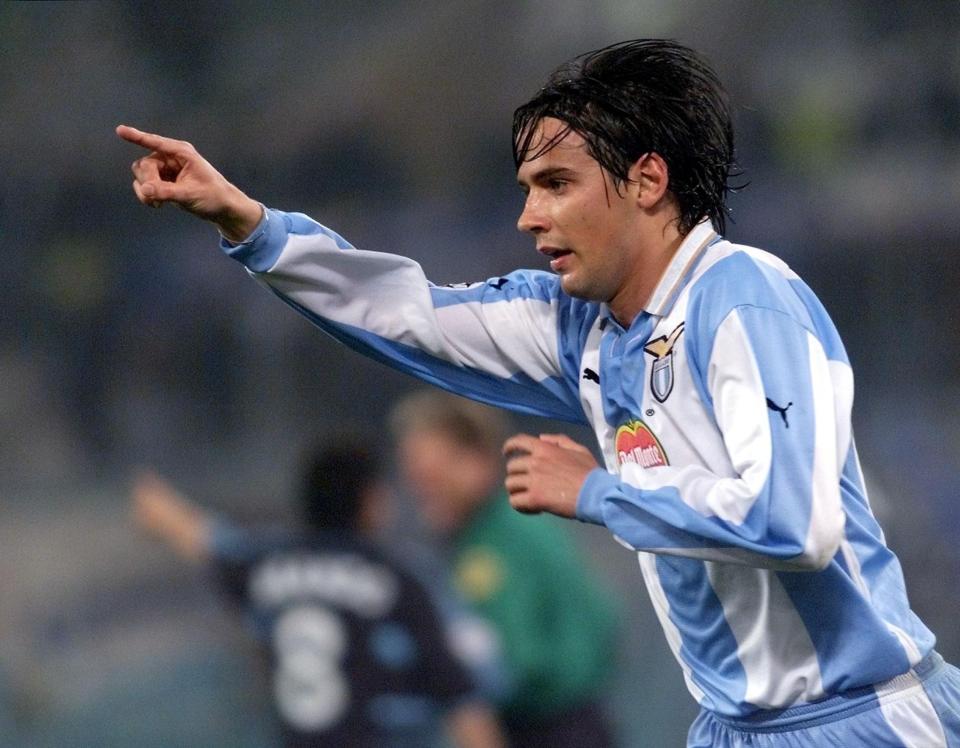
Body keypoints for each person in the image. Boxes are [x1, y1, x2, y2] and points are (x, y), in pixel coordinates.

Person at [117, 38, 960, 747]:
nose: (528, 216)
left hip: (863, 720)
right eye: (526, 188)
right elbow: (408, 311)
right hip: (729, 726)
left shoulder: (743, 301)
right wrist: (248, 223)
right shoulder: (579, 328)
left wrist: (602, 493)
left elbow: (796, 526)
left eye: (555, 184)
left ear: (647, 180)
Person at [131, 437, 505, 748]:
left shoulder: (266, 564)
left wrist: (162, 510)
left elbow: (212, 544)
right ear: (371, 501)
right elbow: (460, 697)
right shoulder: (396, 578)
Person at [390, 388, 620, 748]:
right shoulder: (484, 535)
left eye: (431, 476)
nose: (419, 488)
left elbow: (518, 662)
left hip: (551, 733)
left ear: (476, 460)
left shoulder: (502, 541)